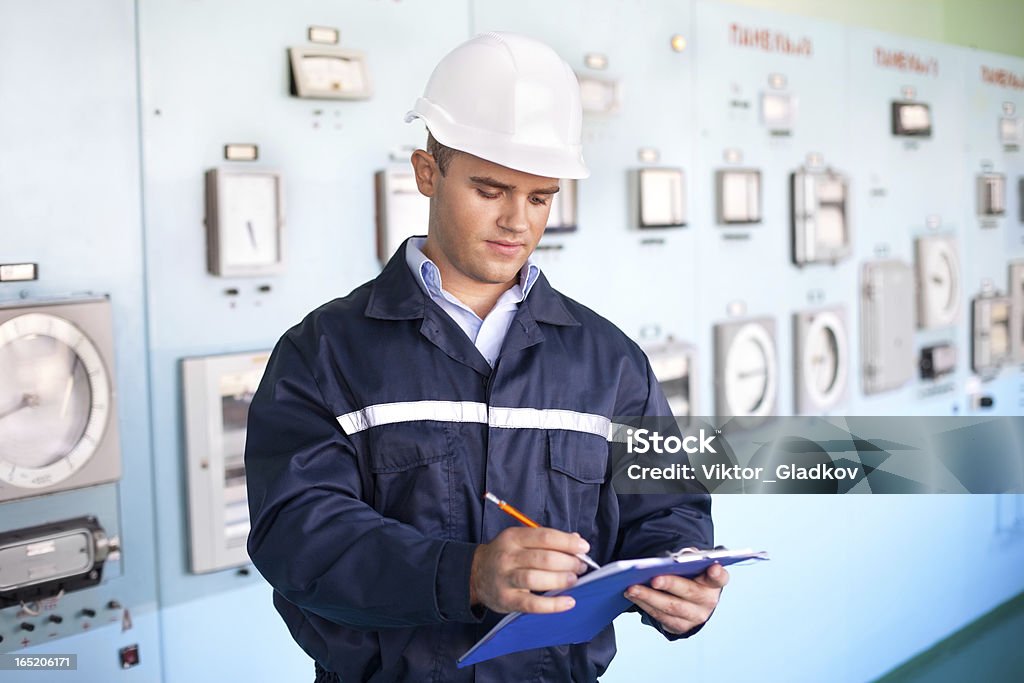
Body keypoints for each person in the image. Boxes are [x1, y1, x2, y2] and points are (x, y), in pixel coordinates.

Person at [245, 32, 727, 683]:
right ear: (427, 172)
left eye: (539, 197)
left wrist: (681, 572)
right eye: (491, 189)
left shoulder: (610, 361)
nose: (516, 222)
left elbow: (668, 505)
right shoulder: (324, 354)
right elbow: (299, 535)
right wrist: (468, 572)